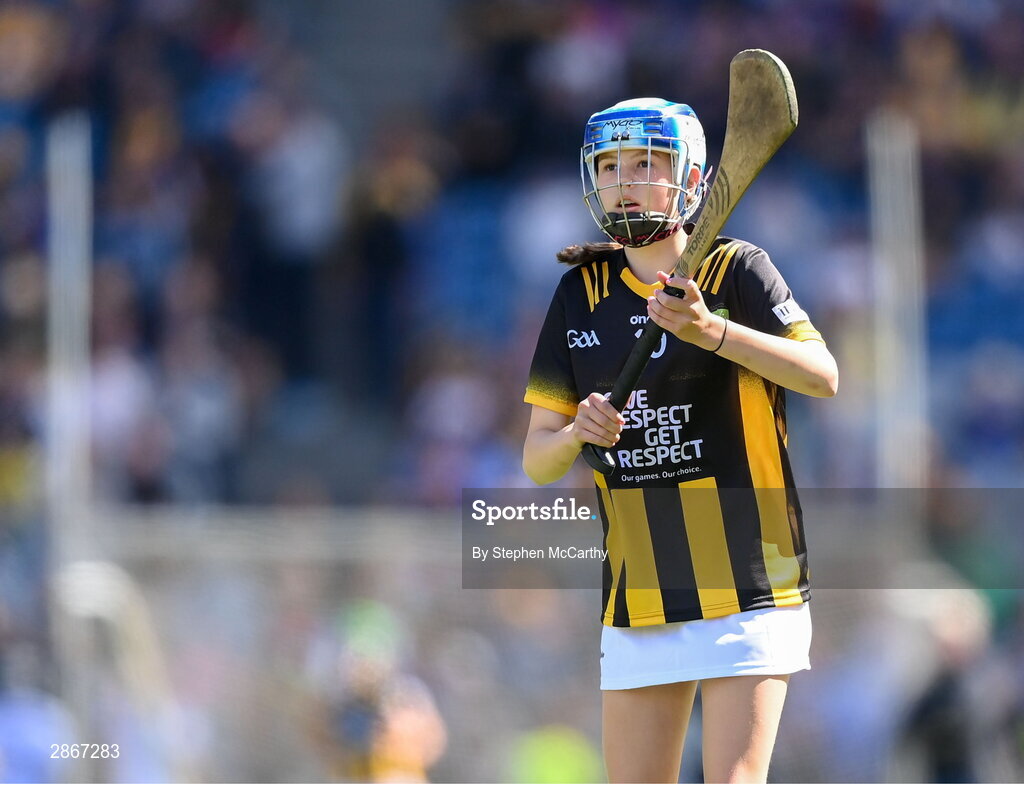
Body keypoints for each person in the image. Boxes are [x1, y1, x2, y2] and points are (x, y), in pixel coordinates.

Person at [522, 98, 838, 783]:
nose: (625, 179)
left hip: (750, 584)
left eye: (644, 163)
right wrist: (578, 430)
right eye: (610, 166)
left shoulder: (736, 271)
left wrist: (711, 331)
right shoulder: (579, 294)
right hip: (640, 598)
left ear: (689, 176)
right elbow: (538, 459)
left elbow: (823, 376)